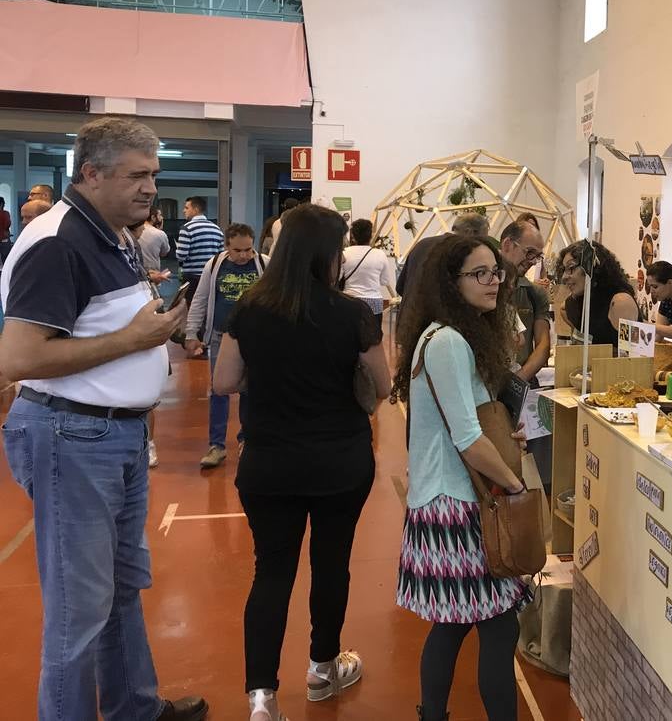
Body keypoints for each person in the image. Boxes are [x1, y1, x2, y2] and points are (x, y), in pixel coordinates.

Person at [0, 116, 207, 720]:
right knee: (79, 610)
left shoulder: (113, 233)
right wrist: (133, 338)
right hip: (73, 436)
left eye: (154, 175)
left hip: (110, 434)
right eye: (137, 176)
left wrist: (151, 332)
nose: (150, 188)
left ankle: (133, 707)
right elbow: (18, 357)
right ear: (90, 173)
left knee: (120, 591)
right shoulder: (58, 240)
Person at [212, 204, 390, 721]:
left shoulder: (249, 308)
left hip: (268, 464)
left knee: (270, 573)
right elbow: (382, 385)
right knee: (331, 566)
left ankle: (262, 699)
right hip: (340, 462)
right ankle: (322, 668)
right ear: (328, 256)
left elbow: (223, 381)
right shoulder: (353, 314)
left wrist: (267, 377)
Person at [392, 234, 530, 721]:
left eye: (496, 271)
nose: (494, 281)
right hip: (458, 501)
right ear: (451, 283)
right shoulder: (448, 341)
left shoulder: (445, 335)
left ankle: (432, 714)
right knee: (496, 627)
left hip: (445, 496)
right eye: (479, 273)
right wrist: (515, 488)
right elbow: (468, 439)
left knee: (453, 625)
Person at [185, 223, 267, 469]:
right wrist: (191, 333)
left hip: (256, 338)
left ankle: (247, 440)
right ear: (227, 247)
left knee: (250, 391)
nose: (244, 256)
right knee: (219, 390)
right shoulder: (214, 265)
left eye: (248, 250)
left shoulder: (264, 263)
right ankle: (217, 445)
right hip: (221, 337)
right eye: (238, 251)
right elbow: (200, 299)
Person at [498, 219, 553, 484]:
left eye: (537, 255)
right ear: (507, 245)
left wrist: (517, 379)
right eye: (529, 253)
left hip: (522, 387)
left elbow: (543, 345)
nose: (532, 261)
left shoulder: (534, 294)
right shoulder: (487, 289)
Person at [130, 215, 173, 468]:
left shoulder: (132, 252)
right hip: (133, 333)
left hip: (149, 329)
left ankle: (149, 445)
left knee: (148, 395)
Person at [557, 240, 641, 348]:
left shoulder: (620, 303)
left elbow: (635, 355)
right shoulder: (574, 303)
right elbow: (563, 309)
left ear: (592, 267)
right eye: (564, 269)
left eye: (571, 268)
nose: (564, 277)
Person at [176, 195, 224, 322]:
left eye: (186, 207)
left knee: (192, 309)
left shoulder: (186, 229)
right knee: (208, 309)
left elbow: (181, 255)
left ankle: (193, 336)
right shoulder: (217, 229)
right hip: (211, 276)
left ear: (196, 209)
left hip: (192, 277)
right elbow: (221, 255)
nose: (184, 211)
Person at [342, 218, 397, 324]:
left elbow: (338, 277)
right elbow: (384, 281)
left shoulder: (345, 253)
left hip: (349, 300)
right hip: (373, 302)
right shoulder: (380, 254)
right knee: (373, 334)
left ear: (352, 236)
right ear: (371, 235)